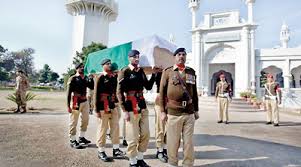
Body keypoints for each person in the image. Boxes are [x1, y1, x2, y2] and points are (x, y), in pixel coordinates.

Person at [159, 48, 199, 167]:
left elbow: (194, 92)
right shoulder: (168, 72)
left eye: (183, 54)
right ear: (175, 57)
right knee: (173, 142)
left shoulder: (191, 72)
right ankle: (172, 163)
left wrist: (196, 110)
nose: (181, 56)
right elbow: (162, 93)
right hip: (173, 112)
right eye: (179, 54)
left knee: (188, 142)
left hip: (189, 112)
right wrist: (162, 111)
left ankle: (188, 163)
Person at [117, 49, 157, 167]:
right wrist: (124, 110)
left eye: (138, 56)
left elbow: (148, 87)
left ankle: (140, 158)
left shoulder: (141, 71)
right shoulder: (124, 71)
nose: (137, 58)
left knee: (145, 134)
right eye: (134, 56)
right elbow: (119, 92)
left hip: (142, 106)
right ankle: (133, 161)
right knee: (133, 137)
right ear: (129, 58)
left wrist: (154, 74)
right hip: (130, 107)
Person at [94, 59, 125, 162]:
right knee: (103, 128)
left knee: (115, 128)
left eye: (110, 63)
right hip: (103, 106)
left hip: (113, 106)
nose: (110, 65)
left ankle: (116, 149)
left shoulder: (113, 77)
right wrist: (96, 110)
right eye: (107, 64)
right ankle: (101, 151)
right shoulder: (100, 77)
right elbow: (96, 95)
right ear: (102, 65)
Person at [66, 63, 94, 149]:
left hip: (85, 101)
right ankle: (72, 139)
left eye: (83, 67)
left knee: (85, 120)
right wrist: (68, 106)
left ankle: (81, 137)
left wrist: (91, 79)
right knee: (74, 121)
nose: (82, 69)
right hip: (76, 101)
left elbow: (91, 87)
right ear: (76, 69)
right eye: (80, 67)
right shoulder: (73, 78)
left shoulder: (85, 78)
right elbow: (68, 93)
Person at [154, 70, 168, 163]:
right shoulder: (158, 72)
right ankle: (159, 150)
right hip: (160, 100)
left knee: (169, 128)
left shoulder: (173, 71)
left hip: (171, 101)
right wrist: (155, 72)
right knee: (160, 127)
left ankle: (165, 149)